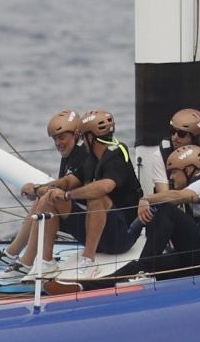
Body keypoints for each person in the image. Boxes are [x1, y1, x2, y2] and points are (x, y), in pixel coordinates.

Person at [0, 109, 89, 272]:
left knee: (46, 199)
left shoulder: (82, 156)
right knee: (42, 199)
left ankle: (26, 262)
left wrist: (36, 189)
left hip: (86, 221)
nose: (58, 143)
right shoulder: (69, 156)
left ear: (76, 135)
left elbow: (65, 184)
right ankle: (12, 253)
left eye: (62, 137)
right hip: (74, 214)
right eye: (55, 139)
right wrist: (38, 190)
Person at [129, 145, 200, 278]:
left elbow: (176, 196)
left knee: (167, 209)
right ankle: (96, 284)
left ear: (189, 169)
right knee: (145, 266)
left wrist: (146, 199)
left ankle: (144, 270)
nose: (171, 178)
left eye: (174, 172)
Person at [54, 108, 142, 263]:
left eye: (82, 137)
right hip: (100, 233)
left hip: (122, 235)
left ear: (89, 137)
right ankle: (39, 261)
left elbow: (105, 187)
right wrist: (41, 188)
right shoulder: (92, 158)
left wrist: (68, 195)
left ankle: (88, 260)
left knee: (97, 198)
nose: (81, 141)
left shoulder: (117, 154)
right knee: (51, 198)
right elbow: (68, 181)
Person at [139, 108, 200, 195]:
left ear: (195, 137)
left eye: (181, 134)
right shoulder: (161, 155)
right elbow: (163, 194)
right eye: (173, 131)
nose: (174, 138)